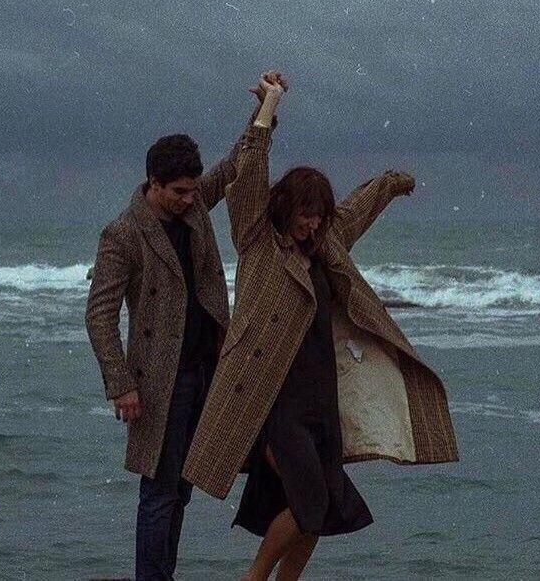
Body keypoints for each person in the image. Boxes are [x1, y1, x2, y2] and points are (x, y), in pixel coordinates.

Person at [183, 71, 459, 581]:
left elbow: (355, 209)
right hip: (275, 399)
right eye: (305, 216)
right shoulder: (259, 241)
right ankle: (253, 578)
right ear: (285, 209)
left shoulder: (327, 243)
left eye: (319, 217)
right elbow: (248, 174)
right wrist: (269, 109)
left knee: (328, 508)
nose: (312, 225)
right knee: (311, 503)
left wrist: (392, 184)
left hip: (322, 400)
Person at [84, 80, 276, 581]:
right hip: (157, 381)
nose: (191, 199)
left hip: (207, 368)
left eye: (194, 189)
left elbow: (236, 164)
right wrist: (121, 383)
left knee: (184, 488)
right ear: (153, 182)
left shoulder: (194, 209)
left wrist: (266, 110)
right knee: (159, 491)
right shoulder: (122, 233)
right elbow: (99, 314)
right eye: (179, 192)